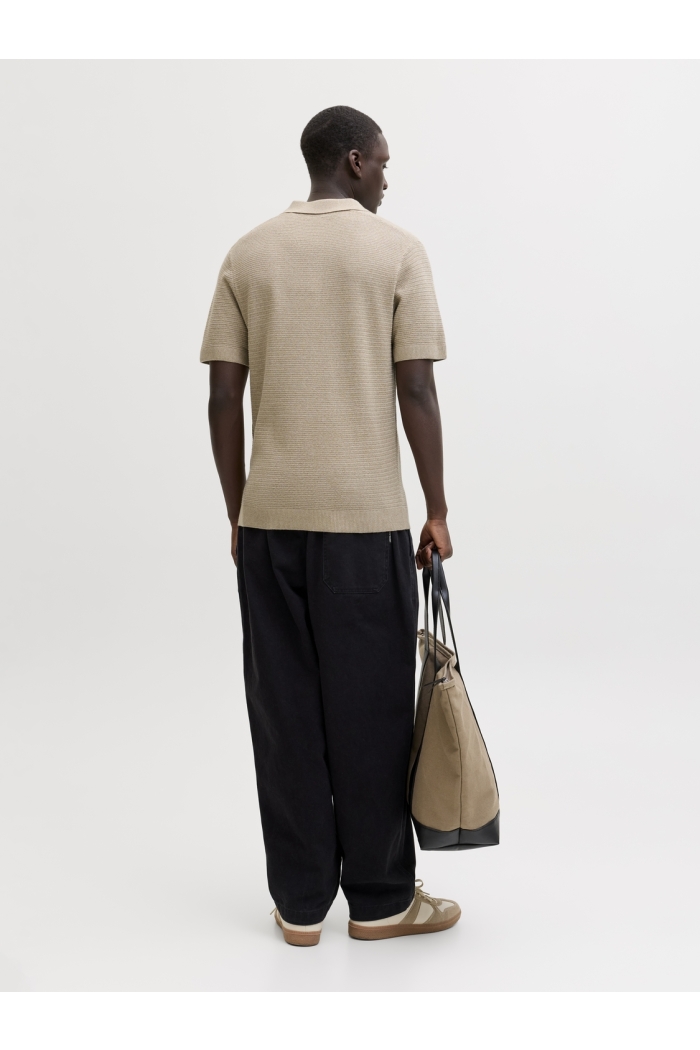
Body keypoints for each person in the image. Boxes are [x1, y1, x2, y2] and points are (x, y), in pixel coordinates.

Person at [201, 106, 460, 946]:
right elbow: (416, 389)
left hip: (270, 525)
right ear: (352, 161)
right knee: (372, 714)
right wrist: (437, 508)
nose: (387, 176)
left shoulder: (248, 254)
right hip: (364, 522)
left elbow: (222, 396)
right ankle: (381, 902)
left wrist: (238, 511)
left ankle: (301, 904)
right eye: (381, 161)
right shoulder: (396, 253)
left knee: (284, 714)